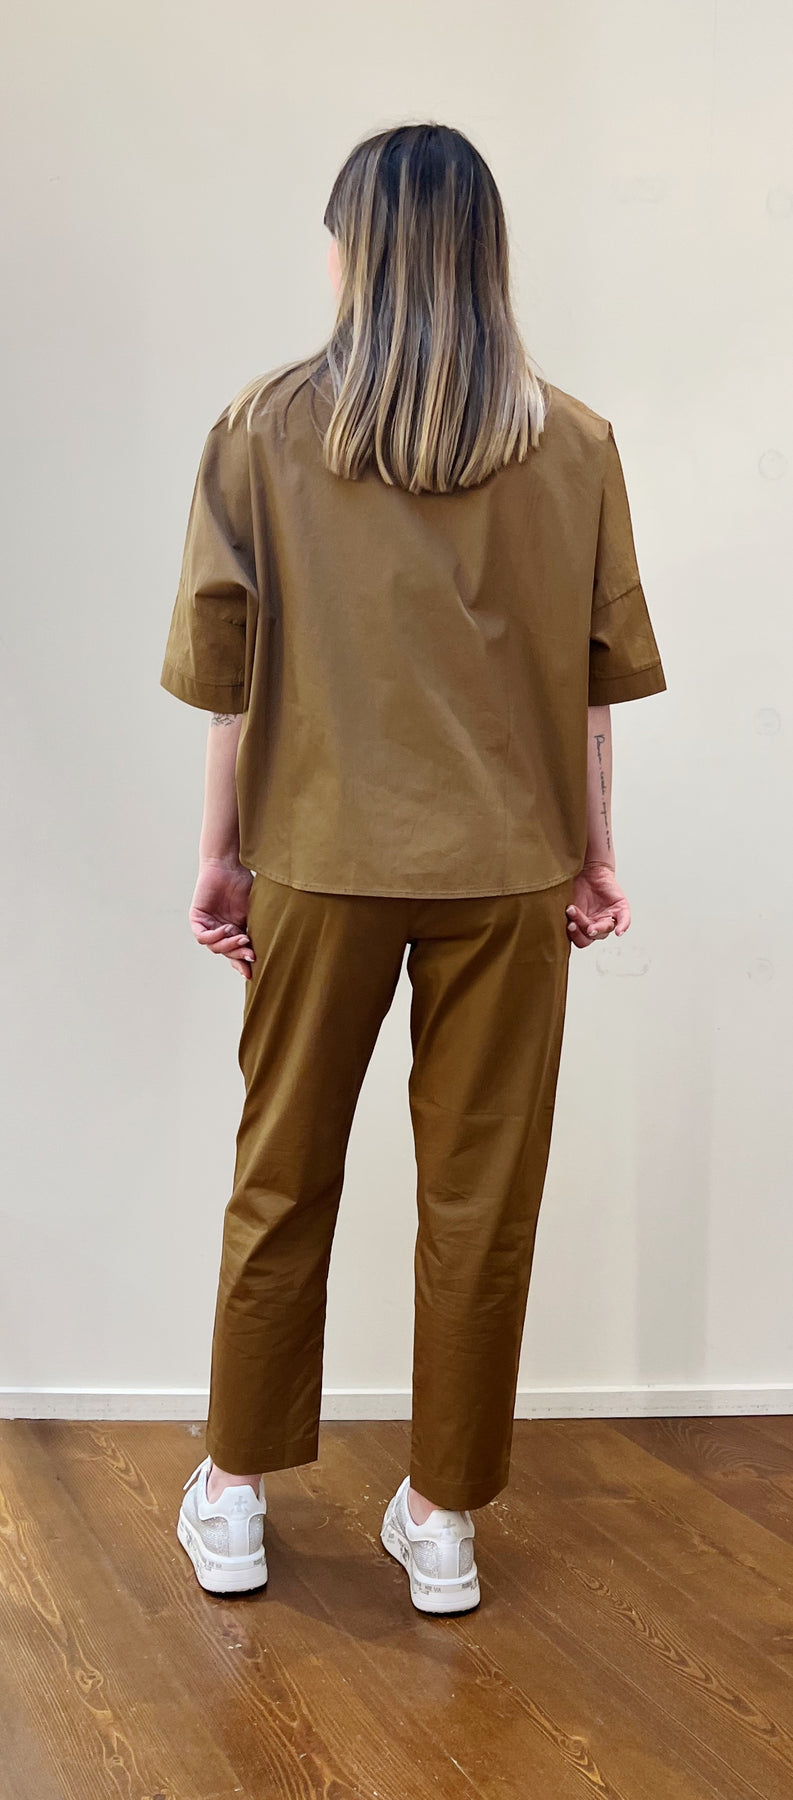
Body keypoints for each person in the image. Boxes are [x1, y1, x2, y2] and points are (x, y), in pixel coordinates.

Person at [161, 121, 667, 1615]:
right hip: (509, 871)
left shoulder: (260, 430)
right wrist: (594, 855)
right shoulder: (573, 444)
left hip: (318, 858)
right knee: (481, 1196)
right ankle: (440, 1521)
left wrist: (219, 857)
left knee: (280, 1176)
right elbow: (593, 688)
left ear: (354, 255)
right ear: (482, 259)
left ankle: (235, 1497)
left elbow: (229, 686)